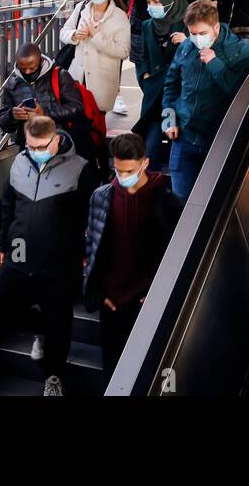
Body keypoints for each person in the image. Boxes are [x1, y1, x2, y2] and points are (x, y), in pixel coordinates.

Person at [0, 115, 101, 396]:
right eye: (31, 146)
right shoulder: (19, 163)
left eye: (42, 146)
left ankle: (54, 378)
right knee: (2, 305)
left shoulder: (81, 170)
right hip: (19, 257)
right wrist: (2, 245)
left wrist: (84, 255)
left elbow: (90, 218)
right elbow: (8, 206)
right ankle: (41, 330)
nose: (36, 152)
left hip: (59, 263)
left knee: (60, 321)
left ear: (55, 140)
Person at [83, 132, 181, 383]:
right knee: (112, 369)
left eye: (129, 171)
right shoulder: (102, 196)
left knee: (147, 372)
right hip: (112, 301)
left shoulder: (166, 200)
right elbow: (92, 246)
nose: (123, 177)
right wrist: (98, 292)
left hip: (146, 301)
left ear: (145, 163)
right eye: (118, 170)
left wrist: (157, 293)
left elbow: (173, 253)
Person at [161, 0, 249, 199]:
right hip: (184, 137)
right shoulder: (186, 47)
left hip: (216, 141)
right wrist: (169, 118)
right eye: (192, 34)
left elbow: (244, 96)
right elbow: (171, 85)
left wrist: (216, 65)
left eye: (202, 34)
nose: (196, 39)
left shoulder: (241, 54)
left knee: (213, 202)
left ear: (215, 27)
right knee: (180, 200)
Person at [0, 43, 94, 163]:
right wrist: (12, 116)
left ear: (41, 61)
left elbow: (77, 108)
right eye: (23, 68)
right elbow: (3, 123)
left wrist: (45, 113)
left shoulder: (60, 76)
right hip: (29, 146)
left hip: (61, 142)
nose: (27, 72)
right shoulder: (12, 84)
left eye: (32, 68)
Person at [131, 0, 189, 171]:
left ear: (170, 1)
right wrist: (145, 76)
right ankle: (151, 178)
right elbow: (143, 55)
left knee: (175, 139)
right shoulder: (148, 25)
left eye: (157, 1)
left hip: (178, 95)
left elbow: (199, 56)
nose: (152, 6)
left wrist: (187, 42)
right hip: (154, 94)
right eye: (149, 2)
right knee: (152, 143)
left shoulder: (186, 23)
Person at [119, 0, 190, 93]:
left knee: (167, 64)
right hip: (141, 26)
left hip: (170, 26)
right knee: (142, 65)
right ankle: (149, 96)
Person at [59, 0, 131, 113]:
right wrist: (74, 35)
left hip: (103, 80)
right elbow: (64, 31)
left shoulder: (120, 16)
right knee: (76, 117)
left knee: (96, 121)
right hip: (78, 76)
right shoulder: (81, 8)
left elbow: (123, 51)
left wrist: (96, 37)